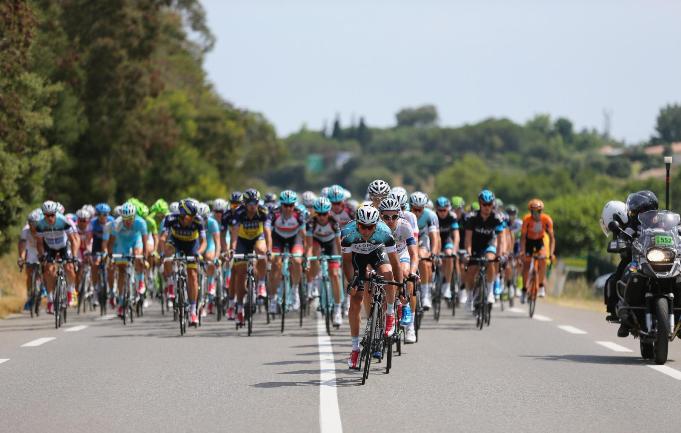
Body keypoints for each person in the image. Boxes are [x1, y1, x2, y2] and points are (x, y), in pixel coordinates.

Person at [342, 205, 402, 368]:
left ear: (376, 225)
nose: (366, 231)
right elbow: (346, 262)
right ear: (357, 224)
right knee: (355, 301)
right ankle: (355, 350)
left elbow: (395, 263)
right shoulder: (347, 233)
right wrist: (351, 282)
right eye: (362, 226)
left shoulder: (385, 232)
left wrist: (401, 286)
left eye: (370, 227)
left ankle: (389, 314)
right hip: (357, 260)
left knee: (388, 274)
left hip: (377, 254)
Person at [227, 189, 272, 326]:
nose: (253, 206)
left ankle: (261, 284)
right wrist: (232, 250)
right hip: (242, 241)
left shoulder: (263, 212)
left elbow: (267, 232)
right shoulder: (239, 213)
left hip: (258, 238)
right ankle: (239, 308)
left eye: (256, 203)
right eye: (250, 203)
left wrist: (269, 249)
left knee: (261, 251)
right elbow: (234, 234)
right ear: (245, 204)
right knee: (240, 274)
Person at [158, 199, 206, 325]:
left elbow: (204, 241)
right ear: (182, 215)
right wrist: (162, 253)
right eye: (189, 216)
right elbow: (163, 237)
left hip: (192, 245)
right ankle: (170, 282)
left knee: (193, 274)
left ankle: (193, 311)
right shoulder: (170, 219)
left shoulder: (198, 220)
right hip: (176, 242)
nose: (192, 219)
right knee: (168, 252)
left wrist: (198, 253)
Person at [378, 197, 419, 343]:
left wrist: (413, 271)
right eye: (386, 217)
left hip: (402, 254)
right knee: (384, 283)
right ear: (380, 215)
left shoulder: (405, 225)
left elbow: (414, 253)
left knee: (405, 273)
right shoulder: (376, 227)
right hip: (384, 255)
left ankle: (406, 309)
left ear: (399, 215)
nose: (390, 220)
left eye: (394, 216)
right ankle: (380, 328)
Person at [104, 202, 149, 319]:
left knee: (137, 255)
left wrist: (144, 256)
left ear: (134, 216)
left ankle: (140, 281)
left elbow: (145, 243)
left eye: (130, 219)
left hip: (136, 241)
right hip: (122, 244)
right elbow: (111, 242)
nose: (128, 222)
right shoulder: (116, 224)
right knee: (121, 271)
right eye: (125, 219)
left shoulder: (141, 223)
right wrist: (110, 255)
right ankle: (121, 301)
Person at [462, 190, 506, 308]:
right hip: (475, 245)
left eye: (489, 204)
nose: (487, 207)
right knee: (471, 270)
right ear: (480, 204)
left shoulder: (498, 217)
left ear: (493, 204)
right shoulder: (472, 217)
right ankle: (470, 296)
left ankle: (490, 291)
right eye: (484, 204)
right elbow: (468, 238)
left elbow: (501, 239)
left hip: (489, 244)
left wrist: (500, 254)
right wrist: (468, 253)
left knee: (491, 260)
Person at [35, 200, 79, 315]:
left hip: (64, 247)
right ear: (43, 214)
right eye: (47, 215)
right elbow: (39, 243)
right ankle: (50, 300)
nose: (50, 218)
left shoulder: (63, 221)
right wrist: (41, 255)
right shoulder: (40, 224)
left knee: (69, 267)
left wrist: (74, 256)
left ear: (56, 213)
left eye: (52, 215)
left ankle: (71, 292)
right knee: (48, 271)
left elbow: (73, 239)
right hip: (50, 248)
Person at [305, 196, 343, 326]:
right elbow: (309, 246)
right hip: (316, 242)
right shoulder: (311, 223)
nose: (322, 217)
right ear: (316, 213)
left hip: (331, 243)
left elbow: (339, 244)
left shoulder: (333, 222)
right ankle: (314, 282)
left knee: (334, 274)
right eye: (319, 214)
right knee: (314, 253)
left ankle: (337, 309)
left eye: (324, 214)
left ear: (329, 212)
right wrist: (309, 260)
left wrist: (342, 258)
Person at [269, 190, 305, 313]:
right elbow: (268, 232)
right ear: (281, 204)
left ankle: (295, 290)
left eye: (291, 205)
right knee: (275, 263)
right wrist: (269, 249)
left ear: (294, 205)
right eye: (285, 205)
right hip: (278, 238)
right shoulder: (274, 213)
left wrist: (305, 251)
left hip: (294, 238)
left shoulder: (299, 214)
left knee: (296, 260)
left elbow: (304, 233)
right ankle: (272, 299)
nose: (288, 208)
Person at [519, 198, 555, 300]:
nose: (536, 214)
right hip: (528, 241)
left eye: (538, 211)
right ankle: (524, 290)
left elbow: (552, 238)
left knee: (543, 259)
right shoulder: (526, 219)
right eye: (533, 212)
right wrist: (522, 251)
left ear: (541, 211)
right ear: (530, 212)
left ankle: (541, 286)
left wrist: (551, 253)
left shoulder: (547, 220)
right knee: (526, 265)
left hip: (540, 241)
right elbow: (522, 238)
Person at [410, 191, 440, 310]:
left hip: (423, 238)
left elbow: (434, 237)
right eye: (415, 209)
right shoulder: (406, 214)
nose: (417, 212)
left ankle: (425, 294)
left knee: (422, 257)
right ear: (410, 206)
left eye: (420, 209)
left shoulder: (430, 215)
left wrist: (433, 252)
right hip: (411, 239)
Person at [18, 209, 43, 312]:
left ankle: (42, 286)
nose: (32, 226)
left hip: (41, 248)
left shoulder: (42, 229)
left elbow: (45, 244)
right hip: (31, 249)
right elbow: (23, 246)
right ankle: (30, 295)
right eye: (31, 223)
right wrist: (21, 258)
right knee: (29, 271)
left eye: (34, 223)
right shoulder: (25, 230)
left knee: (45, 267)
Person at [435, 197, 460, 301]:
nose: (442, 212)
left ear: (448, 209)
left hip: (447, 240)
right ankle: (435, 278)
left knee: (449, 255)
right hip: (436, 239)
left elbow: (456, 236)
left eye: (444, 210)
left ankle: (447, 286)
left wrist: (454, 251)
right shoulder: (433, 216)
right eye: (439, 210)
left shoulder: (452, 217)